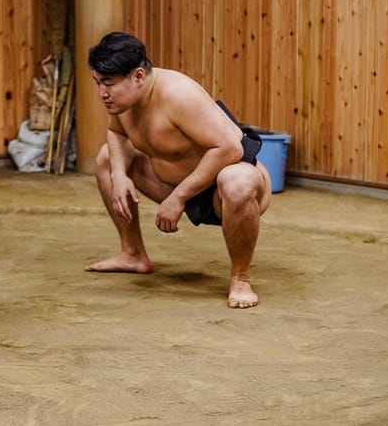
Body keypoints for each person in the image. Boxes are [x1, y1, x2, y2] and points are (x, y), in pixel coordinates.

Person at [85, 32, 272, 308]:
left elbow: (231, 149)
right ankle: (132, 253)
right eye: (98, 83)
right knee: (106, 159)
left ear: (138, 76)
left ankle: (241, 278)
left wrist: (179, 197)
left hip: (223, 189)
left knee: (237, 180)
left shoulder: (178, 94)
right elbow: (117, 134)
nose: (102, 93)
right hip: (171, 183)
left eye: (108, 84)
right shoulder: (122, 101)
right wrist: (119, 175)